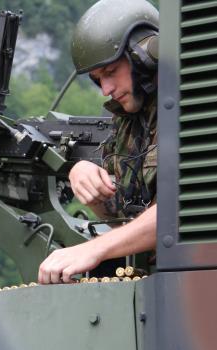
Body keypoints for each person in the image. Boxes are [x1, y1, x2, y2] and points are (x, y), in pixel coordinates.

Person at [38, 0, 160, 284]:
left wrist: (96, 248)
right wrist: (90, 188)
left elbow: (186, 212)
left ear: (145, 55)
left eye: (110, 72)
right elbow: (126, 221)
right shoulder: (130, 123)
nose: (105, 89)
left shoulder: (195, 109)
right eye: (97, 79)